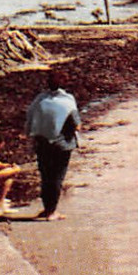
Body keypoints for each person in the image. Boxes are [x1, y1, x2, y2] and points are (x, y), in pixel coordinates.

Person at [24, 72, 79, 220]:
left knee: (45, 177)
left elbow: (29, 117)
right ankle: (52, 211)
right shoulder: (68, 100)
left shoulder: (39, 99)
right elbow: (76, 124)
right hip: (61, 145)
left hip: (42, 143)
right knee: (56, 178)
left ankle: (47, 208)